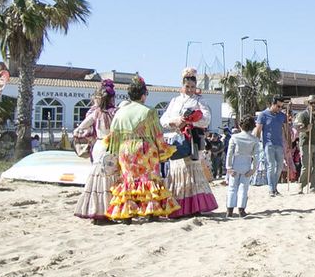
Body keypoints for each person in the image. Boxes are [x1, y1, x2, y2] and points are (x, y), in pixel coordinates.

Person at [104, 75, 178, 221]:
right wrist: (163, 149)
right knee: (149, 178)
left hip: (125, 149)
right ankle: (150, 211)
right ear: (143, 95)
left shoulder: (120, 112)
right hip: (145, 149)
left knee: (128, 179)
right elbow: (157, 134)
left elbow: (113, 137)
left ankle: (127, 213)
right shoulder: (149, 111)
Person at [161, 67, 219, 217]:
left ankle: (195, 207)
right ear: (182, 85)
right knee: (176, 170)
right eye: (187, 86)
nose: (190, 89)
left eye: (193, 87)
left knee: (192, 171)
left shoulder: (200, 101)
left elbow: (206, 119)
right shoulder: (175, 101)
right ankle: (178, 207)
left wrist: (192, 120)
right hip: (176, 138)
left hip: (192, 138)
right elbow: (163, 119)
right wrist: (175, 122)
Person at [71, 79, 119, 223]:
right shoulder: (115, 113)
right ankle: (108, 211)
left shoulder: (95, 113)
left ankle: (95, 210)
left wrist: (88, 137)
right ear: (112, 98)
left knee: (96, 180)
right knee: (110, 180)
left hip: (98, 145)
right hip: (111, 146)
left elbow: (79, 129)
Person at [225, 114, 262, 217]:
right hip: (246, 164)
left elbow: (229, 153)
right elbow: (256, 156)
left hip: (235, 163)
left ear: (241, 126)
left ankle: (229, 210)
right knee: (243, 188)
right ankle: (241, 210)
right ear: (253, 126)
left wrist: (229, 167)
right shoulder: (254, 140)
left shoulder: (234, 137)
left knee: (232, 187)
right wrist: (253, 169)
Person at [254, 96, 288, 196]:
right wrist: (256, 143)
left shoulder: (282, 116)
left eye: (281, 107)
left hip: (279, 144)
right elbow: (258, 130)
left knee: (280, 167)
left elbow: (286, 131)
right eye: (278, 106)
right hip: (268, 144)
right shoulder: (263, 115)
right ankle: (271, 189)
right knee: (271, 166)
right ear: (272, 104)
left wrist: (288, 143)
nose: (279, 109)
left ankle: (274, 187)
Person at [295, 96, 315, 193]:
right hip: (305, 143)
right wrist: (306, 129)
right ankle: (301, 185)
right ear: (308, 104)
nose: (313, 105)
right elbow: (298, 128)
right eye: (311, 103)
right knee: (307, 166)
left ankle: (314, 187)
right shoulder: (303, 115)